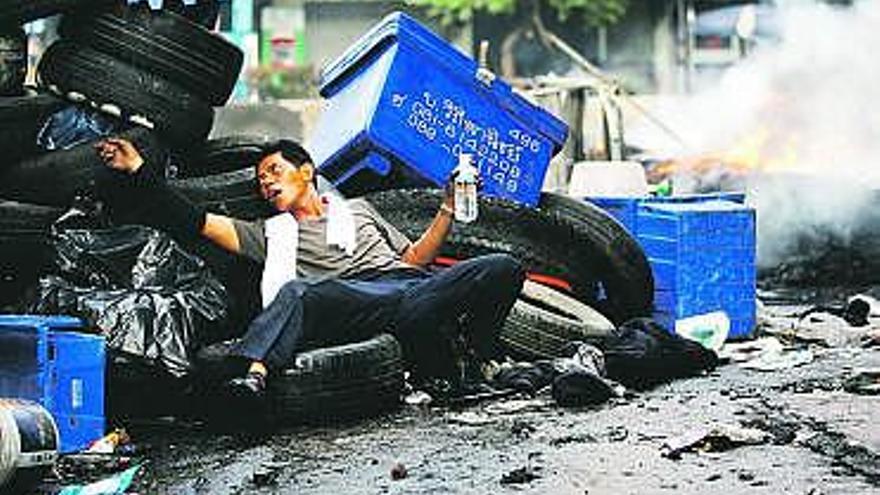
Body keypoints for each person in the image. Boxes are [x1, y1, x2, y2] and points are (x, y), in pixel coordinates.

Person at [95, 137, 525, 401]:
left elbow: (413, 259)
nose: (265, 183)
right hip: (357, 300)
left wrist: (448, 206)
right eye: (261, 180)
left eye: (273, 171)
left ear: (306, 172)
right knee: (300, 291)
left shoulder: (358, 209)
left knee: (503, 267)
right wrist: (139, 170)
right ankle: (253, 379)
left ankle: (481, 356)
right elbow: (194, 221)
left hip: (413, 289)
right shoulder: (271, 234)